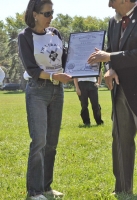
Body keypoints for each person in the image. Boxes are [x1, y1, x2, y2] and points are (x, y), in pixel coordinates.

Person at [88, 0, 137, 196]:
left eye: (112, 1)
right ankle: (123, 189)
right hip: (120, 89)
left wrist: (109, 58)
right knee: (121, 139)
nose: (109, 4)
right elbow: (108, 52)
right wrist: (109, 69)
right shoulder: (113, 22)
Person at [18, 0, 71, 199]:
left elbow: (65, 59)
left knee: (52, 143)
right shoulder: (25, 36)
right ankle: (34, 191)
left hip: (58, 92)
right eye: (47, 13)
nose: (51, 17)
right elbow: (31, 69)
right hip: (37, 91)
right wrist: (53, 76)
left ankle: (46, 187)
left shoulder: (55, 33)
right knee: (39, 141)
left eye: (52, 12)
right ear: (35, 14)